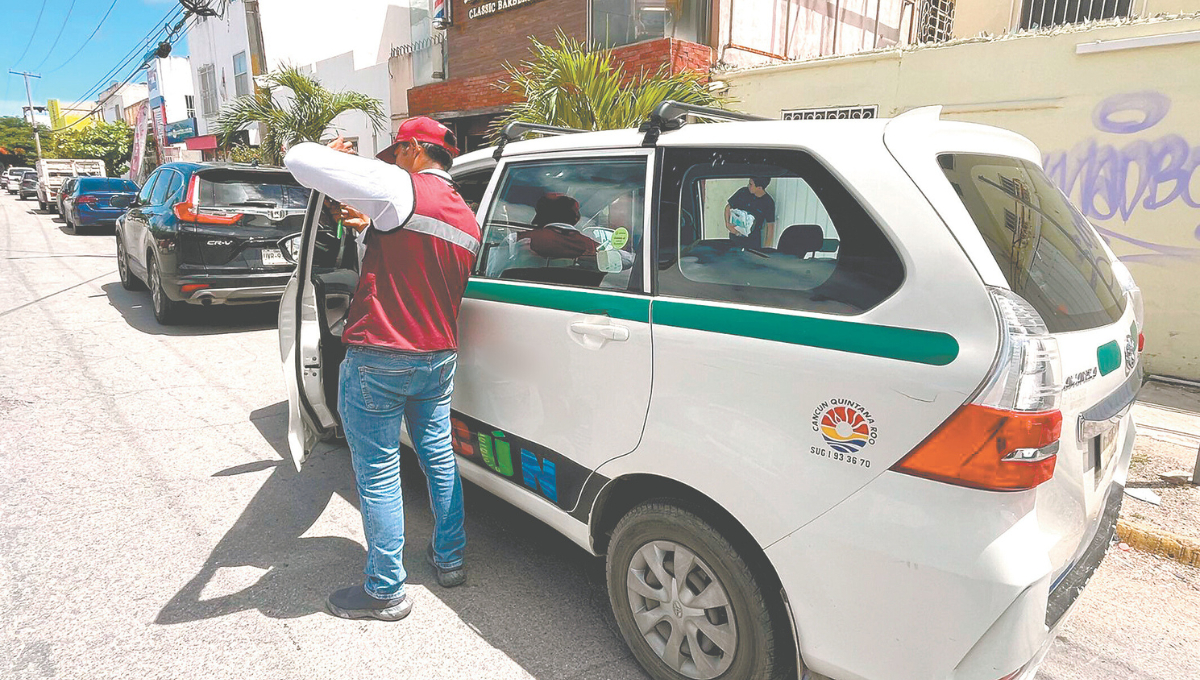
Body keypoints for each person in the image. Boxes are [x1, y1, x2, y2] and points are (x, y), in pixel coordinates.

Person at [283, 117, 480, 622]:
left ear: (415, 149)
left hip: (382, 356)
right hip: (437, 357)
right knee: (439, 457)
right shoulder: (467, 218)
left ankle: (386, 589)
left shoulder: (401, 186)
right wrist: (371, 227)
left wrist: (343, 156)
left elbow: (297, 160)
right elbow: (416, 260)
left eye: (396, 152)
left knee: (378, 472)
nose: (391, 161)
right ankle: (450, 557)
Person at [724, 176, 776, 250]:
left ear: (759, 188)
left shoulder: (768, 202)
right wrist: (728, 225)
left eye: (751, 184)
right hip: (735, 237)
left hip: (752, 241)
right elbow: (727, 208)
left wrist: (766, 249)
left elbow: (770, 227)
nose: (748, 186)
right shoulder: (743, 192)